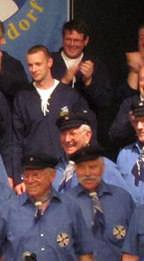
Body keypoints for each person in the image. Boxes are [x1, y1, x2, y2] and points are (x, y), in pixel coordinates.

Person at [9, 45, 87, 186]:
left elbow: (83, 134)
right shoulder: (23, 97)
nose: (34, 69)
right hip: (33, 172)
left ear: (49, 62)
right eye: (30, 65)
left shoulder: (69, 95)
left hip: (65, 171)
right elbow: (16, 141)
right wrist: (18, 177)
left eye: (38, 64)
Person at [53, 110, 125, 192]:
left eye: (73, 134)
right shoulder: (57, 168)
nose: (67, 139)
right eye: (63, 134)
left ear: (87, 135)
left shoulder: (104, 167)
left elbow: (121, 198)